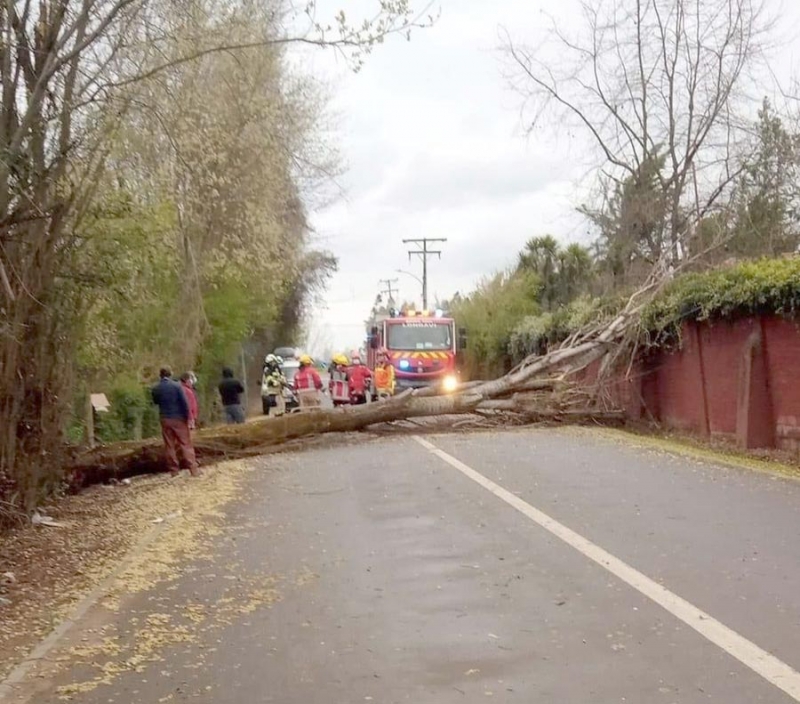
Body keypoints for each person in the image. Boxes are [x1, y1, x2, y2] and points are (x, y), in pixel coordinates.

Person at [151, 366, 200, 477]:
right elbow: (184, 403)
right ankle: (193, 469)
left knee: (169, 445)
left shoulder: (156, 388)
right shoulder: (177, 386)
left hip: (164, 418)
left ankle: (174, 470)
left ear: (160, 375)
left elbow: (155, 402)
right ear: (170, 374)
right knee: (185, 443)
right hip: (178, 418)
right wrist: (190, 418)